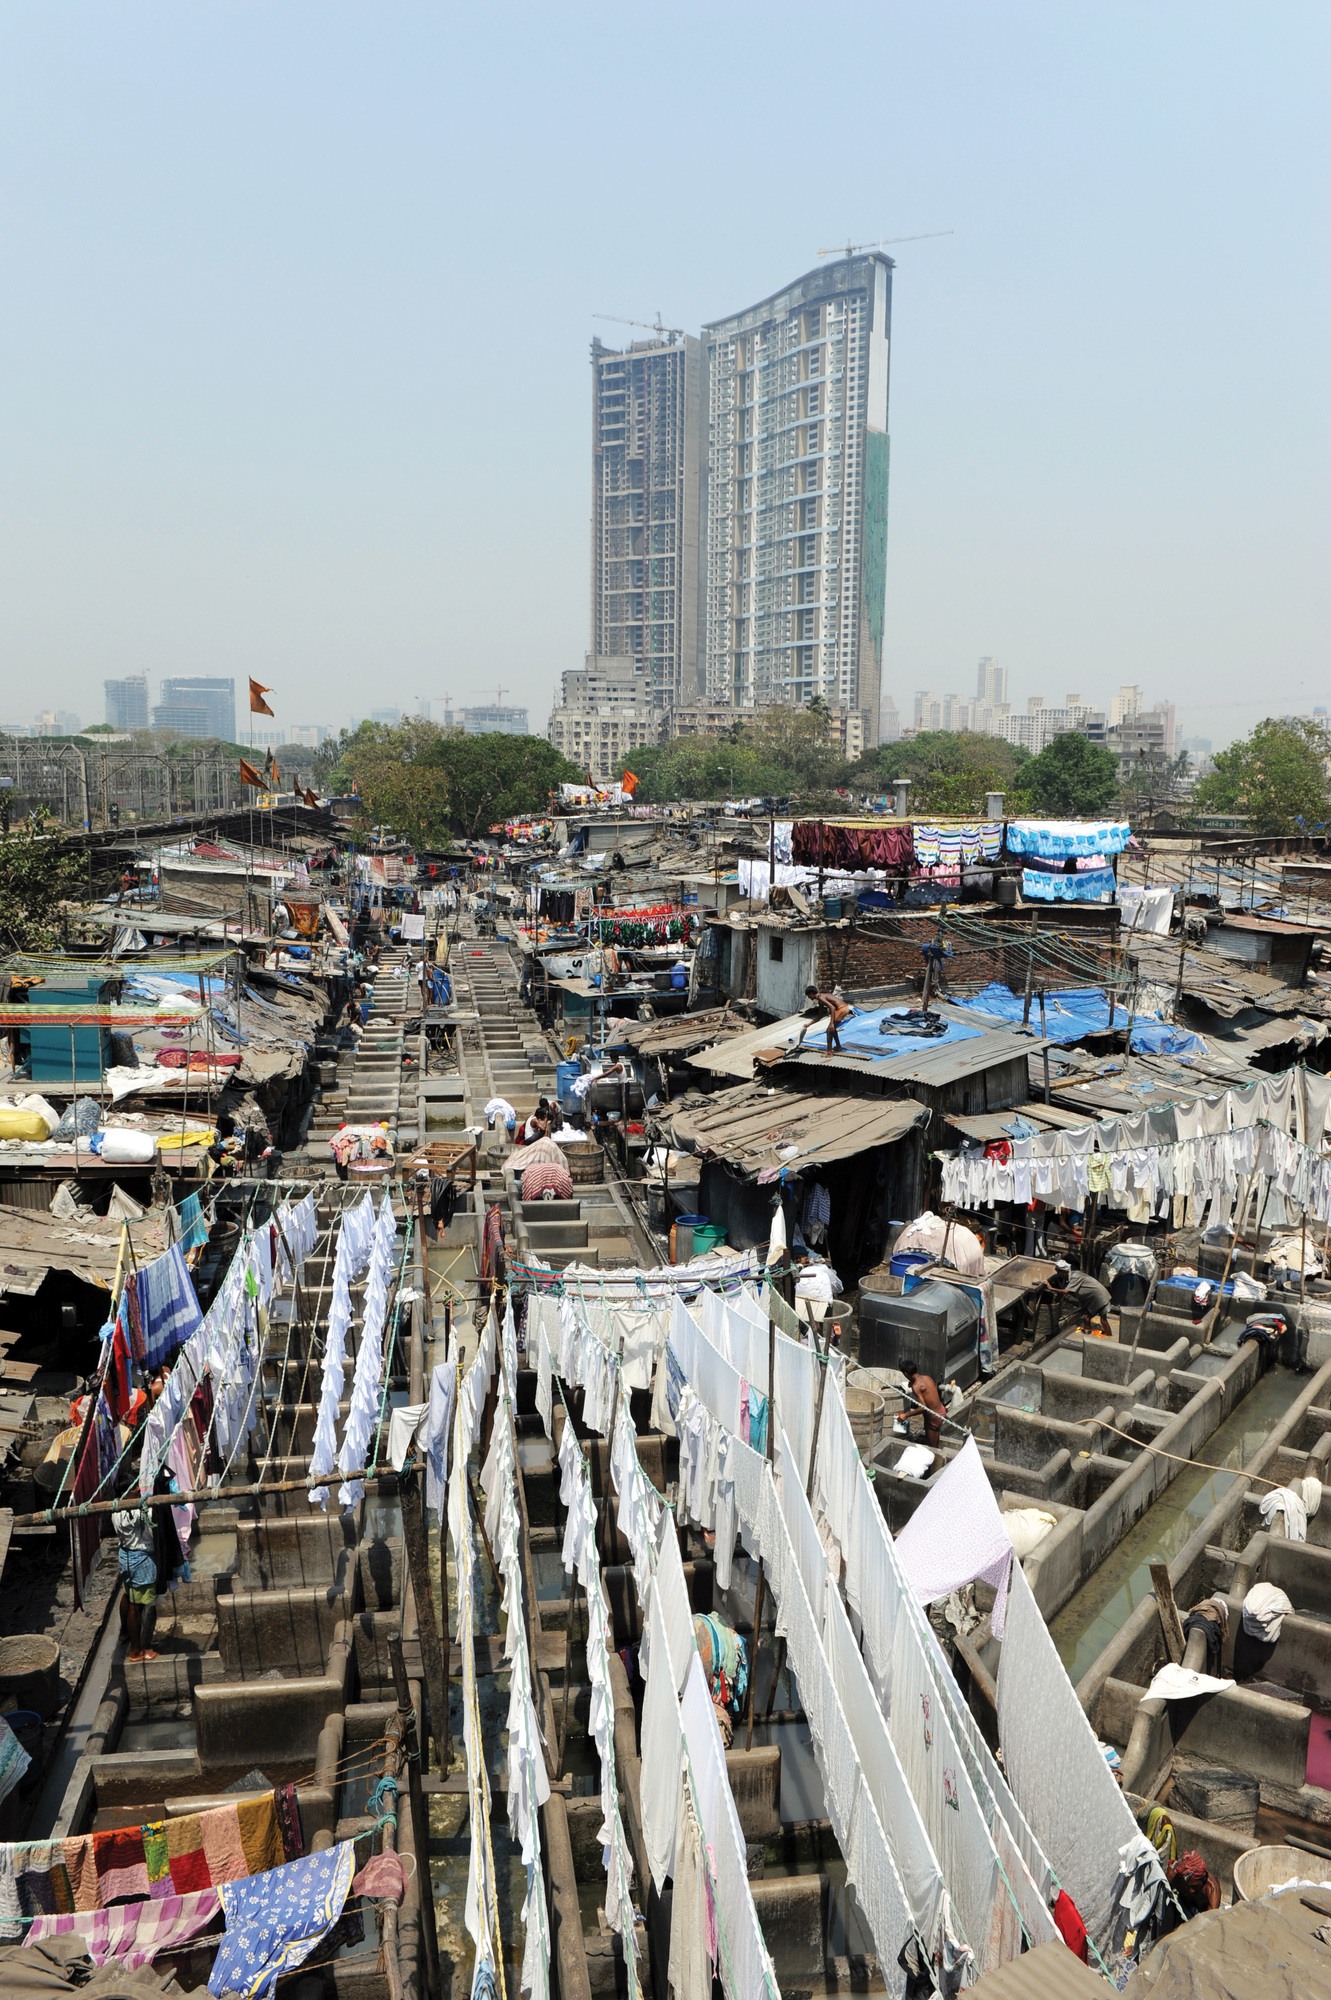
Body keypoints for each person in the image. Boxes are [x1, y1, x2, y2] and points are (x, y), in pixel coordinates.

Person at [113, 1495, 159, 1661]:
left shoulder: (115, 1509)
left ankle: (124, 1632)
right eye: (135, 1490)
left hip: (125, 1556)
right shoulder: (140, 1513)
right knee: (136, 1606)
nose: (139, 1491)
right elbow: (152, 1533)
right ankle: (136, 1651)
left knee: (127, 1594)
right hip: (140, 1559)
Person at [1046, 1259, 1113, 1338]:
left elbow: (1065, 1291)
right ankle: (1091, 1334)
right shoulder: (1071, 1276)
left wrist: (1050, 1288)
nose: (1058, 1274)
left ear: (1063, 1272)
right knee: (1087, 1318)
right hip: (1096, 1297)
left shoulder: (1074, 1277)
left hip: (1099, 1297)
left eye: (1058, 1272)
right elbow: (1063, 1291)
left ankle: (1108, 1336)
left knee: (1101, 1319)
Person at [797, 985, 854, 1053]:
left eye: (808, 996)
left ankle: (829, 1052)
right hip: (844, 1008)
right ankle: (838, 1047)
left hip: (842, 1009)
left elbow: (832, 1008)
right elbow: (820, 1015)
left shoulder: (821, 997)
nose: (809, 998)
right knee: (832, 1029)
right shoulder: (820, 999)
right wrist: (809, 1024)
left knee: (829, 1030)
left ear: (811, 994)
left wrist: (831, 1023)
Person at [903, 1364, 946, 1448]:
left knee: (932, 1446)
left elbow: (922, 1408)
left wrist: (906, 1415)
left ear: (906, 1374)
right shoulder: (927, 1378)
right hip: (940, 1410)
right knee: (932, 1435)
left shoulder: (916, 1386)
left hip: (934, 1416)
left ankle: (934, 1458)